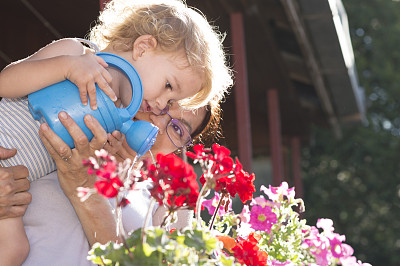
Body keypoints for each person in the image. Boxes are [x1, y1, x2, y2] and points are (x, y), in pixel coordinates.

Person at [0, 0, 232, 263]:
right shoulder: (78, 64)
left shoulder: (164, 202)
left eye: (177, 129)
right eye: (166, 89)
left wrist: (88, 187)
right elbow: (8, 82)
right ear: (143, 48)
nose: (158, 113)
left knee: (13, 250)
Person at [21, 100, 221, 265]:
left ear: (177, 149)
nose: (158, 124)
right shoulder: (59, 130)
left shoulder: (165, 198)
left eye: (177, 129)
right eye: (164, 105)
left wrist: (85, 192)